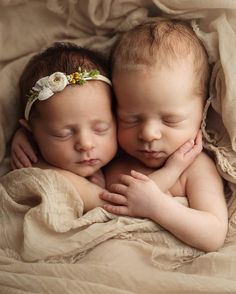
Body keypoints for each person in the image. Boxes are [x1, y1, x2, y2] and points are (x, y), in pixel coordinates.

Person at [11, 42, 201, 213]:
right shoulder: (45, 172)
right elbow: (120, 203)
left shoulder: (125, 147)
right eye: (63, 134)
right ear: (31, 132)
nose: (85, 144)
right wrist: (172, 170)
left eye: (101, 129)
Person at [99, 19, 228, 252]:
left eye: (170, 120)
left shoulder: (195, 168)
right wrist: (27, 139)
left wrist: (156, 206)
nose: (148, 134)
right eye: (131, 119)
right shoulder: (111, 151)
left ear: (202, 111)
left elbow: (214, 233)